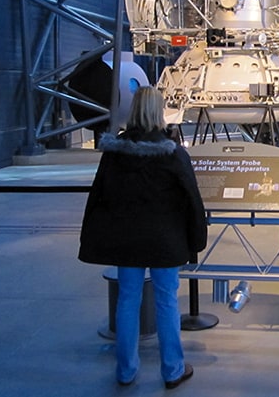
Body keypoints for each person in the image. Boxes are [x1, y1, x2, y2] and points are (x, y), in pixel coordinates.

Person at [78, 86, 207, 389]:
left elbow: (99, 195)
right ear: (158, 111)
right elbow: (192, 199)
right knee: (166, 302)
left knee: (127, 301)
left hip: (127, 241)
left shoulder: (115, 153)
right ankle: (172, 370)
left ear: (133, 110)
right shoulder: (173, 154)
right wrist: (195, 239)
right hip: (165, 241)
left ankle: (125, 370)